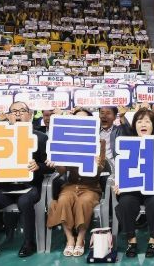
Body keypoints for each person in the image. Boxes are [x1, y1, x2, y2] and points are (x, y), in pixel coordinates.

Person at [0, 102, 51, 259]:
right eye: (14, 111)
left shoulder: (40, 138)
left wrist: (38, 166)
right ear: (8, 116)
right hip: (5, 187)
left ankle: (29, 242)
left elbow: (50, 167)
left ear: (30, 115)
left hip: (30, 186)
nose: (18, 114)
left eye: (22, 111)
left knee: (25, 202)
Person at [46, 108, 106, 257]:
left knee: (83, 202)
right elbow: (62, 170)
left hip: (91, 187)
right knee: (63, 200)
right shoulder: (66, 141)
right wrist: (55, 164)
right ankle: (70, 239)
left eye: (84, 120)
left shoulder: (99, 143)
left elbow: (100, 170)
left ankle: (80, 239)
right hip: (71, 185)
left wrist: (97, 163)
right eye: (77, 119)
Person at [114, 108, 154, 258]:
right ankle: (131, 240)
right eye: (139, 121)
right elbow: (120, 168)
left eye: (147, 121)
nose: (143, 124)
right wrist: (118, 182)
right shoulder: (127, 144)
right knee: (125, 203)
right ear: (134, 126)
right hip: (132, 189)